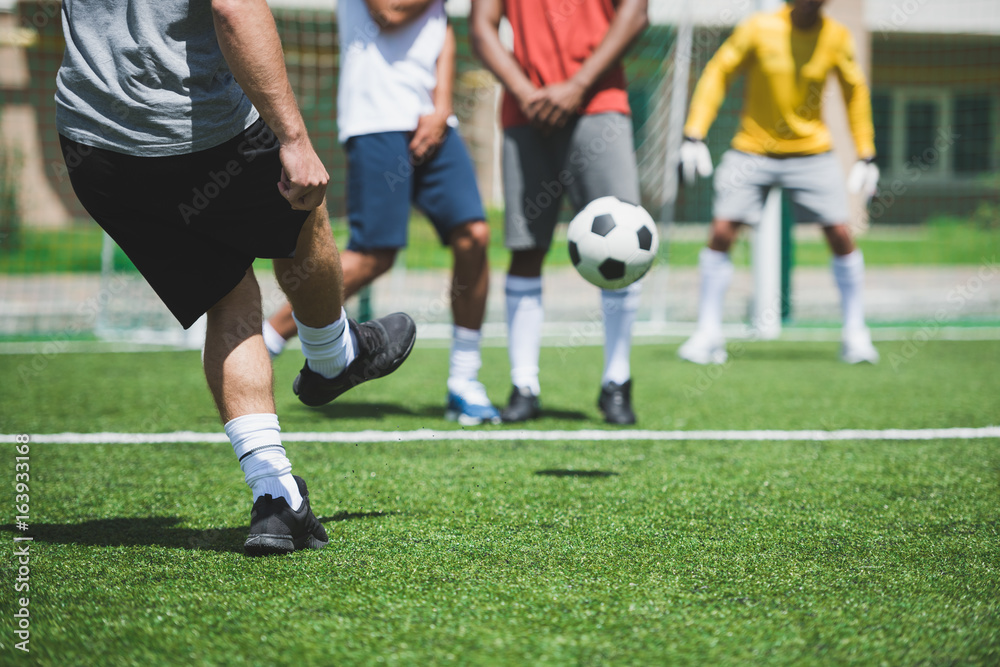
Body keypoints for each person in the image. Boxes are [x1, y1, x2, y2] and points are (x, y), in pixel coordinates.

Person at [55, 0, 417, 556]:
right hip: (197, 129)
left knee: (229, 295)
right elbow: (233, 7)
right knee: (304, 207)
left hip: (95, 148)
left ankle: (275, 499)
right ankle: (331, 356)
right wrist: (294, 140)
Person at [263, 0, 500, 426]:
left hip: (433, 121)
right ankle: (266, 338)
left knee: (475, 236)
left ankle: (464, 382)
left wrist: (442, 103)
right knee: (374, 253)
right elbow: (387, 10)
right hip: (375, 117)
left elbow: (442, 27)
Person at [470, 0, 650, 425]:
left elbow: (636, 13)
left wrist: (578, 85)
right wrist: (526, 92)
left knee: (624, 243)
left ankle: (617, 382)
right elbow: (482, 28)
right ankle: (523, 384)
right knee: (526, 247)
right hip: (524, 108)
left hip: (601, 104)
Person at [677, 0, 881, 365]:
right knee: (722, 231)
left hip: (812, 152)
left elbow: (855, 92)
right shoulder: (759, 28)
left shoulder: (836, 37)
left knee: (840, 233)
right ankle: (707, 332)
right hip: (753, 150)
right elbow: (719, 71)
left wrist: (866, 153)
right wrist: (693, 133)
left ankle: (855, 332)